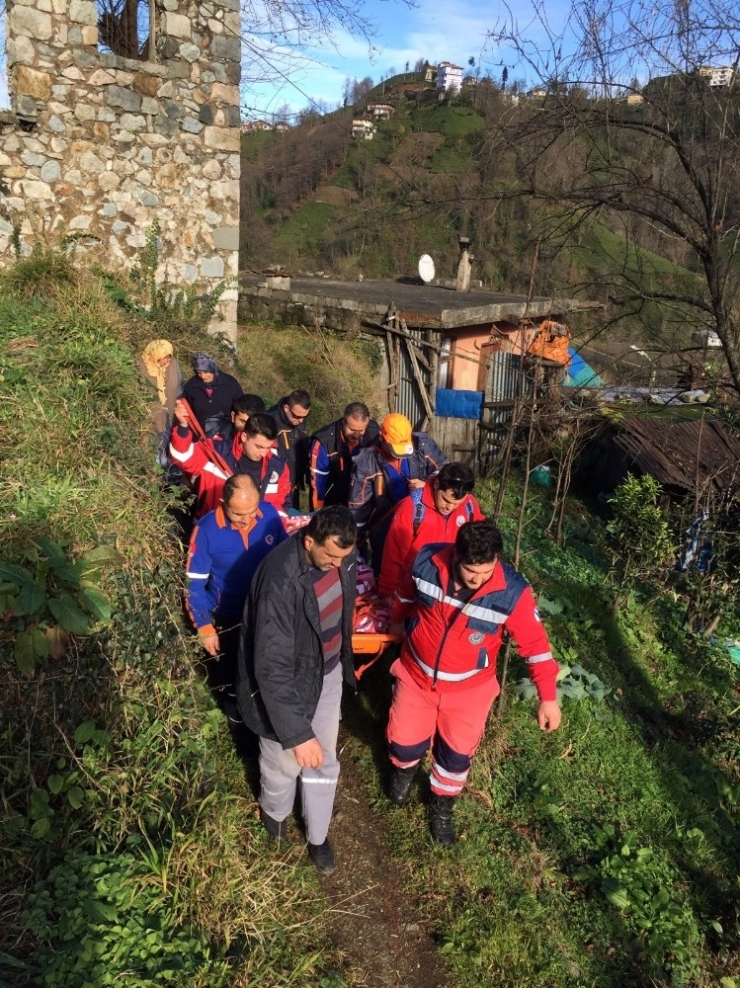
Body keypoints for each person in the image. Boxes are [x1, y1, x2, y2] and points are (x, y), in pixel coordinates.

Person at [386, 521, 561, 845]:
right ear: (455, 556)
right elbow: (404, 593)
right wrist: (397, 621)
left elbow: (535, 646)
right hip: (416, 676)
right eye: (471, 573)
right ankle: (403, 772)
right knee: (402, 741)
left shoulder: (512, 592)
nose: (479, 581)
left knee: (455, 756)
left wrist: (547, 697)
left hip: (469, 692)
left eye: (486, 572)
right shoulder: (426, 561)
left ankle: (441, 805)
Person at [236, 506, 358, 875]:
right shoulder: (279, 580)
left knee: (325, 759)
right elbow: (271, 667)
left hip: (327, 673)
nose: (339, 566)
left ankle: (318, 835)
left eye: (345, 559)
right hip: (286, 683)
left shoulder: (342, 556)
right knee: (283, 760)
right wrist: (296, 732)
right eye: (331, 557)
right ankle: (274, 817)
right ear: (309, 541)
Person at [186, 474, 287, 723]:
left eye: (251, 511)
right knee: (231, 673)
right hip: (226, 614)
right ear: (222, 502)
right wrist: (204, 626)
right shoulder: (206, 530)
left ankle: (261, 714)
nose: (246, 520)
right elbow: (193, 584)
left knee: (262, 666)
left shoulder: (270, 516)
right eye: (238, 514)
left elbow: (285, 557)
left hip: (263, 609)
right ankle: (235, 720)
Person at [349, 412, 447, 573]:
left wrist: (427, 486)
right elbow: (358, 508)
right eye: (395, 449)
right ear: (382, 438)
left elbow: (445, 471)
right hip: (385, 525)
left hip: (423, 520)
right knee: (386, 570)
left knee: (421, 568)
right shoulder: (366, 462)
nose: (400, 455)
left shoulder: (423, 444)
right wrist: (354, 546)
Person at [378, 462, 485, 599]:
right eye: (445, 500)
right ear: (436, 485)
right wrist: (386, 593)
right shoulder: (411, 508)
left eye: (456, 504)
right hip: (412, 591)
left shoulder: (469, 506)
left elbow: (480, 543)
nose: (450, 507)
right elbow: (393, 555)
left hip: (451, 591)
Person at [170, 403, 291, 517]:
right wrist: (183, 427)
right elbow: (182, 457)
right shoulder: (215, 452)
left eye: (268, 447)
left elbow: (281, 506)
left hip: (256, 536)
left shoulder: (278, 468)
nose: (264, 453)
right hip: (215, 527)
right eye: (259, 447)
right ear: (244, 437)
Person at [309, 401, 379, 511]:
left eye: (361, 430)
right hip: (332, 500)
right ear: (343, 422)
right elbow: (318, 481)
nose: (356, 435)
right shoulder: (324, 442)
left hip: (362, 499)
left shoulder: (374, 433)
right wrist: (318, 510)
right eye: (352, 430)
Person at [137, 339, 183, 465]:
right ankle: (154, 476)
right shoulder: (142, 367)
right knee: (153, 448)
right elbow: (137, 391)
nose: (167, 361)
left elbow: (179, 387)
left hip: (169, 415)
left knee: (168, 447)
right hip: (151, 417)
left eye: (169, 358)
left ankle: (167, 477)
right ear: (155, 355)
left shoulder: (173, 365)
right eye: (164, 358)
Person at [182, 352, 244, 437]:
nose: (203, 376)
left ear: (213, 369)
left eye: (206, 372)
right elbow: (185, 411)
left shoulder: (230, 384)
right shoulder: (191, 387)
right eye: (199, 372)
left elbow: (242, 408)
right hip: (200, 436)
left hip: (227, 434)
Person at [268, 389, 311, 509]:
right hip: (276, 487)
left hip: (294, 486)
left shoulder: (298, 419)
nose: (301, 421)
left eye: (305, 416)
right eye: (297, 416)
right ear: (286, 408)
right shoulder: (270, 423)